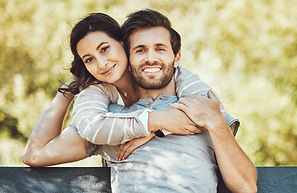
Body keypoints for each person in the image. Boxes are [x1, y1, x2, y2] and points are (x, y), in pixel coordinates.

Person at [75, 9, 257, 193]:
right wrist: (68, 89)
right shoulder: (114, 120)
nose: (151, 58)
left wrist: (214, 122)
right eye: (140, 50)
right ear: (128, 60)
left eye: (160, 49)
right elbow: (37, 153)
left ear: (177, 57)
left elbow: (246, 189)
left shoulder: (202, 112)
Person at [22, 12, 237, 166]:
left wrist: (153, 132)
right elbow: (34, 155)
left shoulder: (169, 75)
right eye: (89, 59)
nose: (102, 63)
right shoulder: (97, 94)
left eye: (104, 49)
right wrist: (69, 89)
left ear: (124, 44)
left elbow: (211, 111)